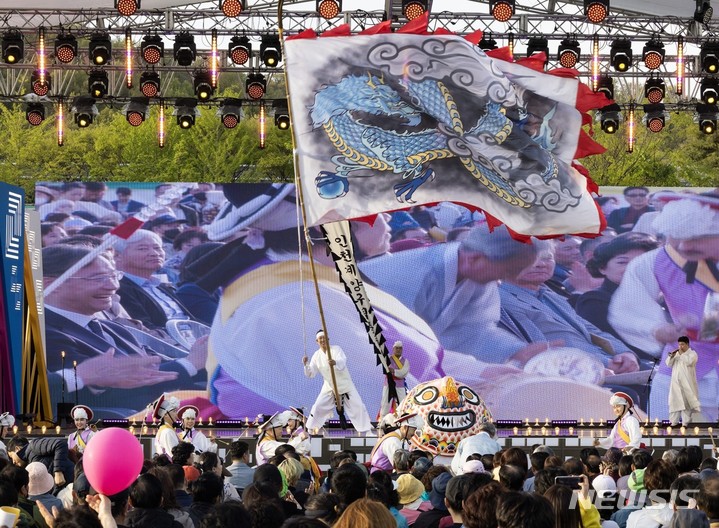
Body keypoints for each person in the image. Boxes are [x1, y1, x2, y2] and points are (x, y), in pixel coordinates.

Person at [42, 244, 208, 416]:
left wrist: (210, 358)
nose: (113, 286)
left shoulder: (114, 328)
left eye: (114, 276)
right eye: (99, 278)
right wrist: (190, 364)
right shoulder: (42, 334)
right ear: (52, 284)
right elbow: (107, 396)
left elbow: (158, 364)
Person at [609, 195, 719, 421]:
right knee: (674, 442)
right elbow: (628, 304)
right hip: (683, 365)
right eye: (676, 235)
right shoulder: (656, 261)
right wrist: (655, 328)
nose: (684, 245)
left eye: (698, 237)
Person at [303, 329, 373, 434]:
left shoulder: (336, 349)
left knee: (358, 405)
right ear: (317, 341)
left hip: (345, 384)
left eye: (324, 338)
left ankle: (367, 430)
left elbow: (342, 361)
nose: (322, 340)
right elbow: (311, 373)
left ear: (328, 339)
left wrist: (335, 362)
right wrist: (306, 365)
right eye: (320, 338)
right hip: (329, 386)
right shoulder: (316, 356)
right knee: (318, 405)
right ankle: (311, 428)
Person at [667, 336, 701, 427]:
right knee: (674, 402)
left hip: (687, 383)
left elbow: (689, 362)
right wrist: (672, 356)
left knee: (686, 403)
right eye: (679, 344)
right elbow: (668, 364)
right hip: (675, 383)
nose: (680, 346)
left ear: (687, 344)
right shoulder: (677, 354)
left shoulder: (693, 354)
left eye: (682, 344)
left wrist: (680, 354)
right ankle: (673, 422)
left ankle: (685, 423)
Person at [379, 341, 410, 417]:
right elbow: (386, 370)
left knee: (402, 403)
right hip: (388, 384)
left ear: (402, 349)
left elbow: (403, 373)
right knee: (385, 403)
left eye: (400, 348)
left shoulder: (405, 361)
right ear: (393, 349)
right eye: (397, 348)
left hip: (400, 385)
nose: (398, 350)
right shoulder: (388, 359)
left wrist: (393, 371)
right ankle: (383, 421)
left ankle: (402, 420)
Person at [152, 394, 180, 459]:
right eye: (174, 411)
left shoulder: (166, 429)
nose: (176, 414)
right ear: (165, 415)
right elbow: (174, 456)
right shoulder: (167, 431)